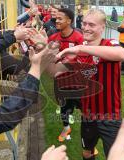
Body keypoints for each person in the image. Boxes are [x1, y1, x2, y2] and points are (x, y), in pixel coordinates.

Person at [56, 9, 124, 159]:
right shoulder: (79, 50)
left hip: (110, 116)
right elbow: (58, 72)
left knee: (115, 156)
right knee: (87, 152)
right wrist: (43, 51)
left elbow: (121, 54)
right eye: (84, 23)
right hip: (88, 115)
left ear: (102, 27)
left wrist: (81, 47)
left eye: (92, 25)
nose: (86, 28)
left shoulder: (109, 43)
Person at [47, 8, 84, 143]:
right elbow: (47, 57)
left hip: (77, 82)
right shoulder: (53, 38)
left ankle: (88, 139)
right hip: (61, 82)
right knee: (64, 107)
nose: (56, 21)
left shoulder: (79, 37)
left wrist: (68, 62)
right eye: (56, 18)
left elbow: (85, 58)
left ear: (69, 21)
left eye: (60, 18)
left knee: (86, 109)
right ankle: (66, 128)